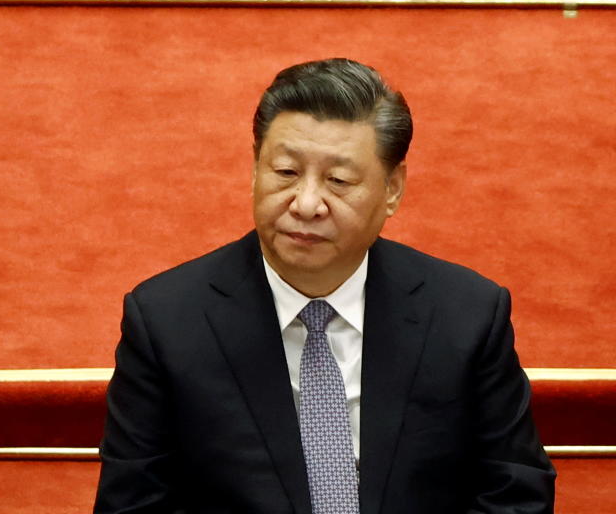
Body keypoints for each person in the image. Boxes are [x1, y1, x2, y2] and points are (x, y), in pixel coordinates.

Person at [93, 58, 555, 514]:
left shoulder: (466, 314)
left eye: (338, 180)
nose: (307, 203)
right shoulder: (167, 321)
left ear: (392, 189)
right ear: (255, 170)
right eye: (286, 173)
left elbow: (516, 492)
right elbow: (133, 503)